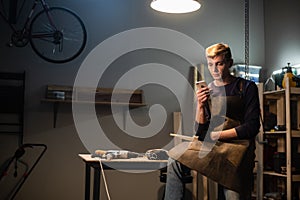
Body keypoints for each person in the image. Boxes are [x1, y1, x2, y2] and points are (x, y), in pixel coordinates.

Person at [164, 43, 260, 200]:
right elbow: (200, 130)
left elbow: (252, 127)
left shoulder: (246, 87)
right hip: (212, 147)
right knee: (174, 158)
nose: (214, 70)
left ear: (229, 63)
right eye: (210, 64)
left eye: (219, 64)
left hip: (237, 150)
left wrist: (216, 135)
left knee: (233, 196)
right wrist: (200, 106)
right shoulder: (208, 90)